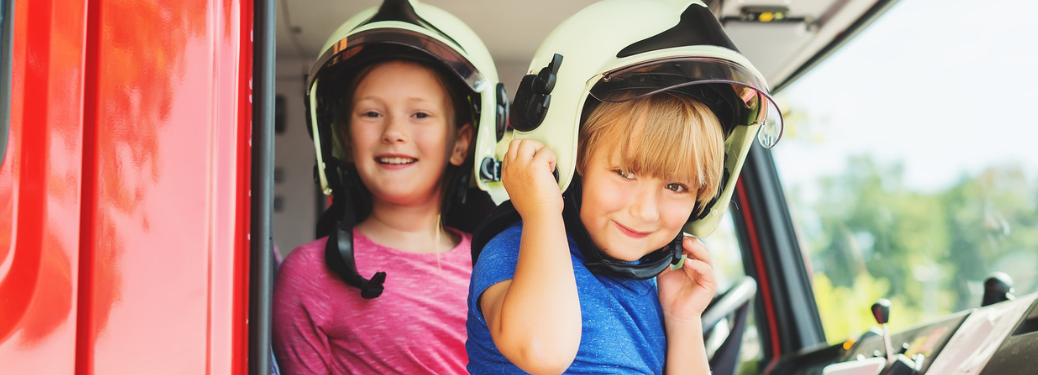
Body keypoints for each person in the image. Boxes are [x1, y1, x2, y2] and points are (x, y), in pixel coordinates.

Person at [465, 0, 784, 374]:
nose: (646, 211)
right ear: (572, 159)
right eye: (626, 173)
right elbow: (542, 351)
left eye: (677, 186)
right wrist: (541, 211)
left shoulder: (653, 285)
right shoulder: (514, 252)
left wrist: (682, 319)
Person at [272, 0, 507, 373]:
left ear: (462, 144)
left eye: (420, 114)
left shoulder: (499, 268)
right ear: (345, 140)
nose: (394, 133)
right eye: (372, 113)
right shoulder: (309, 274)